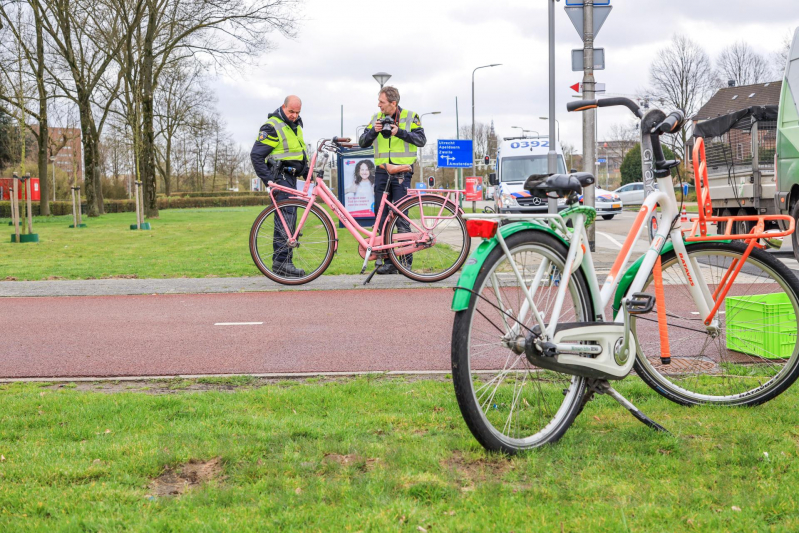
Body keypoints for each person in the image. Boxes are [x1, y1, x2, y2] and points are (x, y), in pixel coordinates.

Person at [358, 86, 426, 274]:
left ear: (393, 103)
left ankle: (405, 262)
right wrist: (373, 131)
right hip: (381, 172)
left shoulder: (411, 117)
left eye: (381, 102)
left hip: (402, 173)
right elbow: (363, 141)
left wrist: (400, 132)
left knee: (401, 217)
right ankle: (389, 261)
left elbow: (421, 140)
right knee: (382, 217)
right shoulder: (376, 118)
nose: (378, 105)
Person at [250, 95, 309, 278]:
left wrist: (307, 172)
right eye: (291, 111)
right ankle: (283, 263)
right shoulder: (272, 127)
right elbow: (256, 156)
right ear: (283, 107)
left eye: (297, 112)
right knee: (286, 220)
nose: (294, 115)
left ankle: (282, 263)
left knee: (290, 221)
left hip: (291, 178)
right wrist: (270, 181)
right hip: (281, 178)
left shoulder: (294, 125)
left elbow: (295, 154)